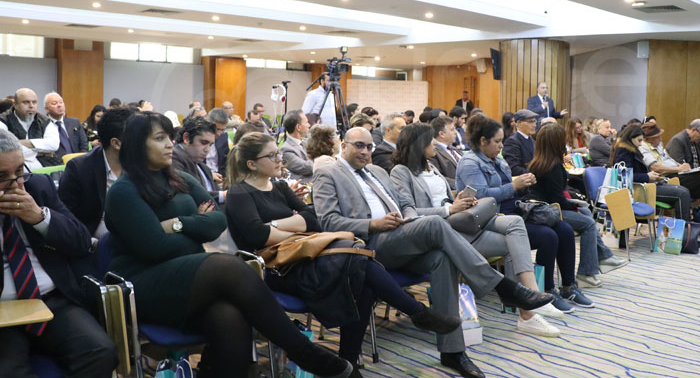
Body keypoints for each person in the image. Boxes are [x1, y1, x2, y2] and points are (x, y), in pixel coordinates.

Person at [104, 112, 353, 378]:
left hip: (191, 280)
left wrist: (178, 224)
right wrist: (197, 226)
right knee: (227, 266)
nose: (169, 144)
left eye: (169, 137)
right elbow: (155, 248)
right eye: (159, 138)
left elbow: (217, 222)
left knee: (229, 316)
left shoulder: (181, 179)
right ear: (137, 145)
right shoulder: (123, 191)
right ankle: (305, 352)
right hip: (145, 286)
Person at [313, 127, 552, 378]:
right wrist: (374, 224)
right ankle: (504, 287)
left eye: (369, 146)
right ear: (343, 145)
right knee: (436, 224)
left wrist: (410, 219)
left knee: (442, 258)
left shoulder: (377, 172)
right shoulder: (328, 173)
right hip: (368, 244)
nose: (365, 151)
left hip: (400, 235)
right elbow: (328, 222)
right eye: (359, 145)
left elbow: (405, 205)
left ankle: (453, 350)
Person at [225, 132, 460, 372]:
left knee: (362, 279)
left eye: (278, 153)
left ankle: (349, 363)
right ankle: (416, 313)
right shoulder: (238, 193)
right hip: (274, 268)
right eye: (271, 155)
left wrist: (275, 226)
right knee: (359, 267)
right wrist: (296, 232)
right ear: (251, 164)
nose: (279, 159)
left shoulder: (281, 187)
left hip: (305, 256)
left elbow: (313, 218)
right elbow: (257, 235)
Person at [391, 123, 562, 337]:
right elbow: (409, 213)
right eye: (430, 139)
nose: (435, 142)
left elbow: (445, 198)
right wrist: (448, 208)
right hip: (440, 229)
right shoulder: (401, 171)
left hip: (461, 220)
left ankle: (531, 296)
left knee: (515, 226)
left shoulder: (431, 167)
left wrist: (458, 200)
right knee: (520, 235)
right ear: (418, 144)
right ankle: (528, 310)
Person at [0, 130, 117, 377]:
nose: (16, 184)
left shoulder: (37, 187)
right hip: (3, 312)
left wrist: (40, 217)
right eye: (2, 177)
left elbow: (82, 241)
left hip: (51, 300)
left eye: (19, 171)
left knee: (100, 351)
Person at [455, 114, 592, 314]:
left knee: (564, 229)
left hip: (515, 210)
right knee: (548, 236)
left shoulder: (497, 161)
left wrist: (526, 185)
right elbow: (482, 197)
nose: (501, 146)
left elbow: (512, 192)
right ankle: (545, 291)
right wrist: (514, 185)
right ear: (483, 141)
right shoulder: (470, 163)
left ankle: (568, 286)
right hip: (491, 218)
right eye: (497, 142)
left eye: (501, 141)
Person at [526, 123, 625, 288]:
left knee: (586, 212)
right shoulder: (554, 167)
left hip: (543, 208)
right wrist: (574, 205)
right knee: (588, 223)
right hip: (550, 211)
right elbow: (557, 200)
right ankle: (587, 272)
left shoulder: (538, 163)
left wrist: (575, 205)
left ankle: (603, 258)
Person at [58, 107, 134, 239]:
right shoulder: (80, 169)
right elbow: (66, 217)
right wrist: (91, 243)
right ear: (116, 143)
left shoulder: (142, 165)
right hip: (95, 241)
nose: (145, 143)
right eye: (138, 138)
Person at [0, 88, 59, 169]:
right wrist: (40, 153)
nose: (31, 106)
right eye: (26, 102)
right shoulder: (3, 120)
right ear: (15, 105)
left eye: (34, 102)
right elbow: (5, 150)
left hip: (44, 166)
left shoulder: (45, 120)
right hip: (14, 168)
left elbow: (53, 144)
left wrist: (20, 143)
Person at [172, 117, 224, 203]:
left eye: (210, 145)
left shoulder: (202, 166)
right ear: (187, 138)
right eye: (203, 143)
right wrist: (223, 195)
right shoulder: (173, 158)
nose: (207, 150)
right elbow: (187, 195)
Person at [43, 92, 89, 161]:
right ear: (47, 109)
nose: (59, 105)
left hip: (78, 162)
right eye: (54, 103)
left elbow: (84, 145)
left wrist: (81, 160)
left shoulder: (74, 122)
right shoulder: (43, 125)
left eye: (61, 102)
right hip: (55, 164)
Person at [427, 116, 462, 188]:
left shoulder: (455, 149)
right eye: (452, 129)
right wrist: (461, 185)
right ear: (442, 134)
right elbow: (437, 177)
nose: (456, 132)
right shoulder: (432, 152)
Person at [280, 110, 313, 182]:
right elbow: (308, 168)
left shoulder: (307, 142)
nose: (309, 125)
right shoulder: (286, 150)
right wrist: (324, 160)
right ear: (298, 127)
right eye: (306, 122)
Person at [502, 109, 538, 176]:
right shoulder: (512, 141)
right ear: (519, 123)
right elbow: (514, 168)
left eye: (535, 121)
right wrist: (535, 175)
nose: (534, 125)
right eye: (531, 122)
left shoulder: (532, 140)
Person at [206, 108, 231, 178]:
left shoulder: (223, 137)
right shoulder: (198, 138)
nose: (219, 133)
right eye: (217, 129)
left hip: (219, 177)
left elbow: (225, 162)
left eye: (222, 130)